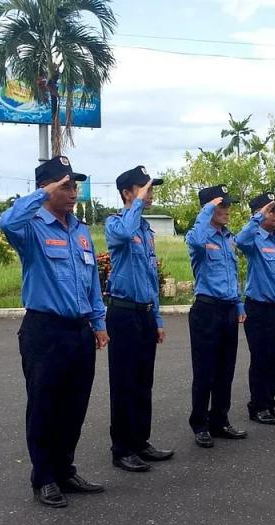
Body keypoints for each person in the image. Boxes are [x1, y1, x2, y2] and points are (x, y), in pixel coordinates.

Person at [0, 155, 108, 509]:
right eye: (66, 186)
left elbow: (92, 281)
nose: (74, 192)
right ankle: (44, 477)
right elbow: (6, 221)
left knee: (74, 406)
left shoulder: (80, 231)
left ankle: (65, 469)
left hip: (79, 331)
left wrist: (99, 322)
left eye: (74, 185)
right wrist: (41, 194)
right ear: (46, 189)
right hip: (44, 331)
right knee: (45, 406)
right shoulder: (31, 228)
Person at [104, 166, 175, 473]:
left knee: (144, 382)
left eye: (150, 188)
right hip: (122, 313)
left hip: (144, 313)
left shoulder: (145, 230)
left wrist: (157, 317)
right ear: (126, 193)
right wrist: (135, 206)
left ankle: (140, 442)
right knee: (124, 383)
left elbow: (149, 276)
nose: (150, 193)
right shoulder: (116, 223)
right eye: (143, 188)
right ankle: (122, 448)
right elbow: (123, 234)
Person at [185, 184, 248, 448]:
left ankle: (219, 420)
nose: (227, 210)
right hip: (206, 310)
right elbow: (198, 241)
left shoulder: (228, 238)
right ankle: (199, 424)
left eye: (227, 205)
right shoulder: (197, 236)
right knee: (205, 372)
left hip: (228, 309)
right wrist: (207, 210)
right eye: (221, 206)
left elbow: (233, 275)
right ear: (208, 208)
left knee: (225, 370)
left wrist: (240, 304)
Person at [235, 192, 275, 425]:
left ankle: (270, 402)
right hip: (259, 309)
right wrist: (256, 219)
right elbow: (239, 241)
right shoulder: (253, 240)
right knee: (261, 359)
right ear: (259, 213)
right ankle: (258, 406)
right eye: (272, 210)